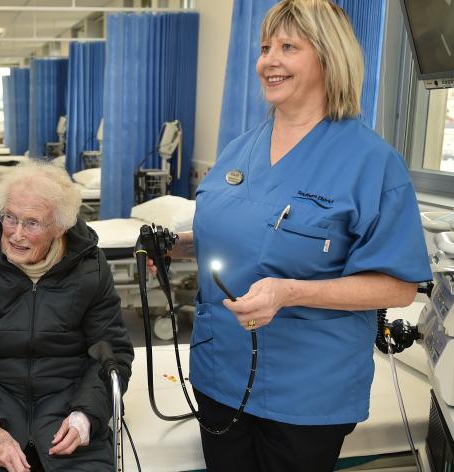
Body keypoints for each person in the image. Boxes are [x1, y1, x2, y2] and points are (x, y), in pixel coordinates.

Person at [161, 1, 432, 470]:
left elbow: (398, 286)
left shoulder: (370, 162)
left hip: (307, 392)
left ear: (328, 58)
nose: (269, 60)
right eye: (266, 47)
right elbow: (248, 236)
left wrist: (289, 292)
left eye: (288, 47)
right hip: (218, 370)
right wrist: (180, 247)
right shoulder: (238, 149)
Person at [0, 162, 134, 472]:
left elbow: (112, 354)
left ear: (59, 227)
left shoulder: (90, 267)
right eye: (10, 218)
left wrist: (85, 416)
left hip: (66, 414)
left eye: (32, 223)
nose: (16, 234)